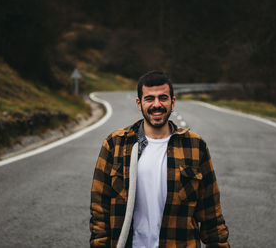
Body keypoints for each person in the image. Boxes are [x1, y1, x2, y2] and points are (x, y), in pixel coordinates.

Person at [90, 71, 229, 247]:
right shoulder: (115, 144)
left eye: (163, 98)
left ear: (173, 101)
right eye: (150, 99)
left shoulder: (196, 146)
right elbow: (99, 212)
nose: (157, 104)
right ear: (139, 104)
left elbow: (212, 216)